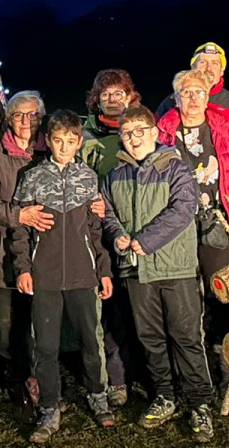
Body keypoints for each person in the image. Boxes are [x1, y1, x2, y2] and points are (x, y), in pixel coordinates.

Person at [101, 105, 215, 443]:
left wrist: (143, 241)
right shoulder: (115, 175)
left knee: (186, 337)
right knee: (150, 338)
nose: (134, 139)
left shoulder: (175, 168)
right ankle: (164, 395)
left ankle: (199, 403)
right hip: (136, 272)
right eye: (127, 133)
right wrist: (117, 235)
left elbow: (182, 210)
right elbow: (106, 212)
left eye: (140, 131)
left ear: (153, 133)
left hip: (175, 267)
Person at [11, 110, 115, 442]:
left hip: (85, 276)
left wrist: (104, 271)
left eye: (71, 142)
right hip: (45, 277)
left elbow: (95, 231)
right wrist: (24, 268)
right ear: (48, 141)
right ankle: (50, 407)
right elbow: (21, 233)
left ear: (78, 142)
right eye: (58, 141)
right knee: (45, 345)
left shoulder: (88, 178)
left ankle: (98, 395)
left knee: (91, 339)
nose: (64, 147)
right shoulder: (32, 177)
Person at [156, 69, 229, 383]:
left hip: (219, 223)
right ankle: (191, 360)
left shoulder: (220, 128)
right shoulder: (164, 132)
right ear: (176, 98)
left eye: (199, 92)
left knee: (220, 292)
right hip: (180, 227)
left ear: (208, 95)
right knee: (186, 297)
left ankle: (226, 357)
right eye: (186, 93)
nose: (193, 98)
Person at [0, 90, 48, 402]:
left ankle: (40, 377)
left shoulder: (50, 150)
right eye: (19, 115)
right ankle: (11, 375)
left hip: (45, 252)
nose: (25, 121)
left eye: (32, 115)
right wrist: (20, 215)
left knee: (41, 322)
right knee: (6, 324)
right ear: (8, 118)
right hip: (3, 252)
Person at [79, 68, 141, 407]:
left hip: (138, 230)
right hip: (101, 233)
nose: (113, 99)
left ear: (130, 97)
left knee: (140, 306)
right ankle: (116, 377)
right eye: (106, 94)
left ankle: (145, 370)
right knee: (110, 305)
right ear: (96, 99)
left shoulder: (140, 131)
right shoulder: (87, 137)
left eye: (120, 93)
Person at [155, 43, 229, 152]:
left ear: (222, 71)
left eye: (215, 63)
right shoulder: (170, 102)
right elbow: (154, 141)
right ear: (193, 68)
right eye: (203, 62)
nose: (209, 68)